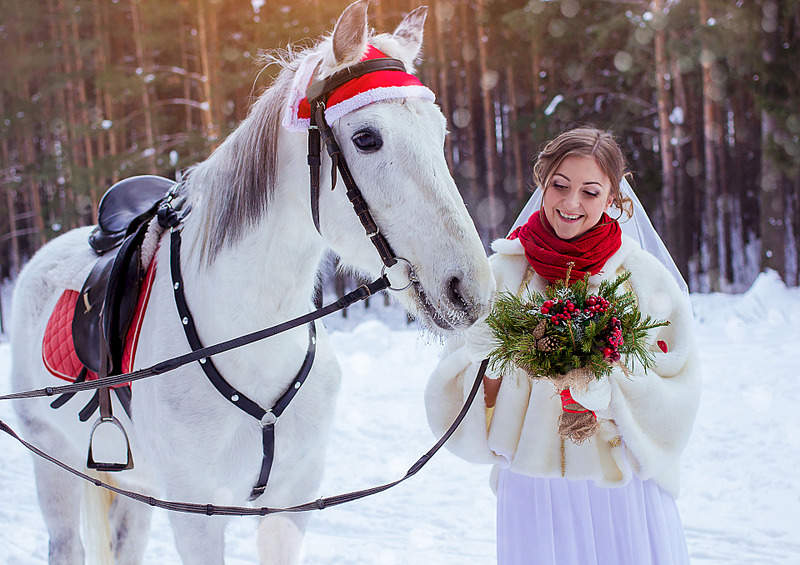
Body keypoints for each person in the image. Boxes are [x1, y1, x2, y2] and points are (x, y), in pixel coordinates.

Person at [425, 127, 701, 565]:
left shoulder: (644, 279)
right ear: (542, 181)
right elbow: (463, 395)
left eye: (590, 192)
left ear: (613, 197)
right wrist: (484, 361)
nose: (571, 204)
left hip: (617, 485)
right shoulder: (501, 275)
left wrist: (609, 391)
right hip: (533, 491)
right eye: (560, 185)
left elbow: (678, 386)